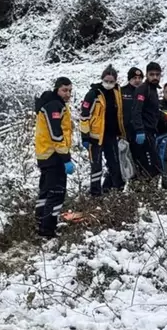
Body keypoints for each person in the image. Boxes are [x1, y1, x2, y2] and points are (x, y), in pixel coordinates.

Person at [34, 77, 75, 238]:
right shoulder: (54, 106)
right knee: (56, 192)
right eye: (64, 90)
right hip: (53, 156)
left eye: (70, 90)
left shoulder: (54, 104)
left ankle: (40, 223)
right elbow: (56, 135)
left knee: (45, 192)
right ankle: (48, 230)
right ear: (57, 89)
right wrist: (66, 159)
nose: (68, 94)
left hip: (46, 154)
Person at [80, 65, 127, 196]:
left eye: (112, 81)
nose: (109, 83)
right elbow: (84, 116)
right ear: (102, 79)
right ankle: (95, 193)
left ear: (116, 81)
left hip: (111, 135)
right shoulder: (93, 94)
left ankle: (116, 190)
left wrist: (122, 132)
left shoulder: (117, 92)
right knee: (96, 166)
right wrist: (85, 136)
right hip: (95, 137)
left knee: (114, 163)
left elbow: (120, 113)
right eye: (107, 80)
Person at [131, 61, 163, 179]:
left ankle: (147, 191)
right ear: (147, 75)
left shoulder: (153, 89)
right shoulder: (143, 89)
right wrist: (140, 130)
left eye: (157, 75)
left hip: (151, 132)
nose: (155, 77)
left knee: (154, 167)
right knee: (149, 166)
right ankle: (143, 192)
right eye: (152, 74)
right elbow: (136, 111)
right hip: (144, 133)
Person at [121, 66, 143, 144]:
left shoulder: (145, 92)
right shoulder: (121, 91)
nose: (137, 80)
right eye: (134, 78)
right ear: (129, 79)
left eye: (140, 78)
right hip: (124, 132)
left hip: (140, 131)